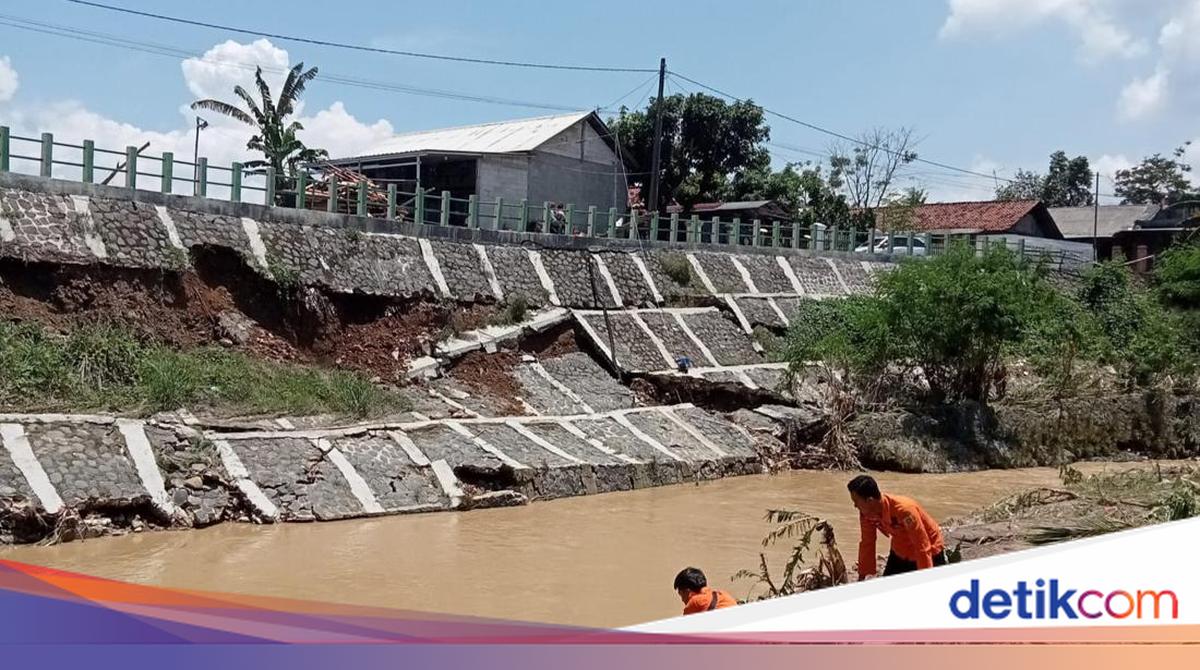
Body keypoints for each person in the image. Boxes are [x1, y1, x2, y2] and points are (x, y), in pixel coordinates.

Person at [847, 474, 945, 580]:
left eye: (856, 501)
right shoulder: (866, 514)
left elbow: (922, 545)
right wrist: (862, 575)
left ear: (870, 501)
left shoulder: (905, 511)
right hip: (900, 548)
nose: (855, 506)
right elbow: (867, 542)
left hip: (930, 547)